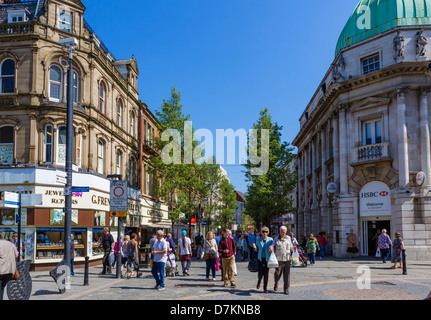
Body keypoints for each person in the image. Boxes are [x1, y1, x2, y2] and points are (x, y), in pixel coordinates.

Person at [270, 226, 293, 295]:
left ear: (286, 232)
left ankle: (286, 289)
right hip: (279, 259)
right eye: (281, 232)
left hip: (287, 259)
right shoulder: (276, 239)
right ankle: (276, 283)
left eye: (284, 232)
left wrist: (294, 248)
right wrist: (271, 247)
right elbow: (272, 245)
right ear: (279, 232)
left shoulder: (289, 238)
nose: (282, 233)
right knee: (277, 273)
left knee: (287, 275)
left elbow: (291, 247)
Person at [252, 227, 273, 293]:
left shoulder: (270, 240)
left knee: (266, 274)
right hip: (260, 259)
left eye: (266, 232)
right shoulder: (258, 240)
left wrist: (272, 248)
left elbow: (272, 248)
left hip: (267, 259)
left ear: (268, 233)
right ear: (261, 232)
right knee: (260, 273)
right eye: (263, 232)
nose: (264, 233)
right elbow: (257, 250)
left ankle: (265, 288)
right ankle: (259, 281)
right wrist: (254, 247)